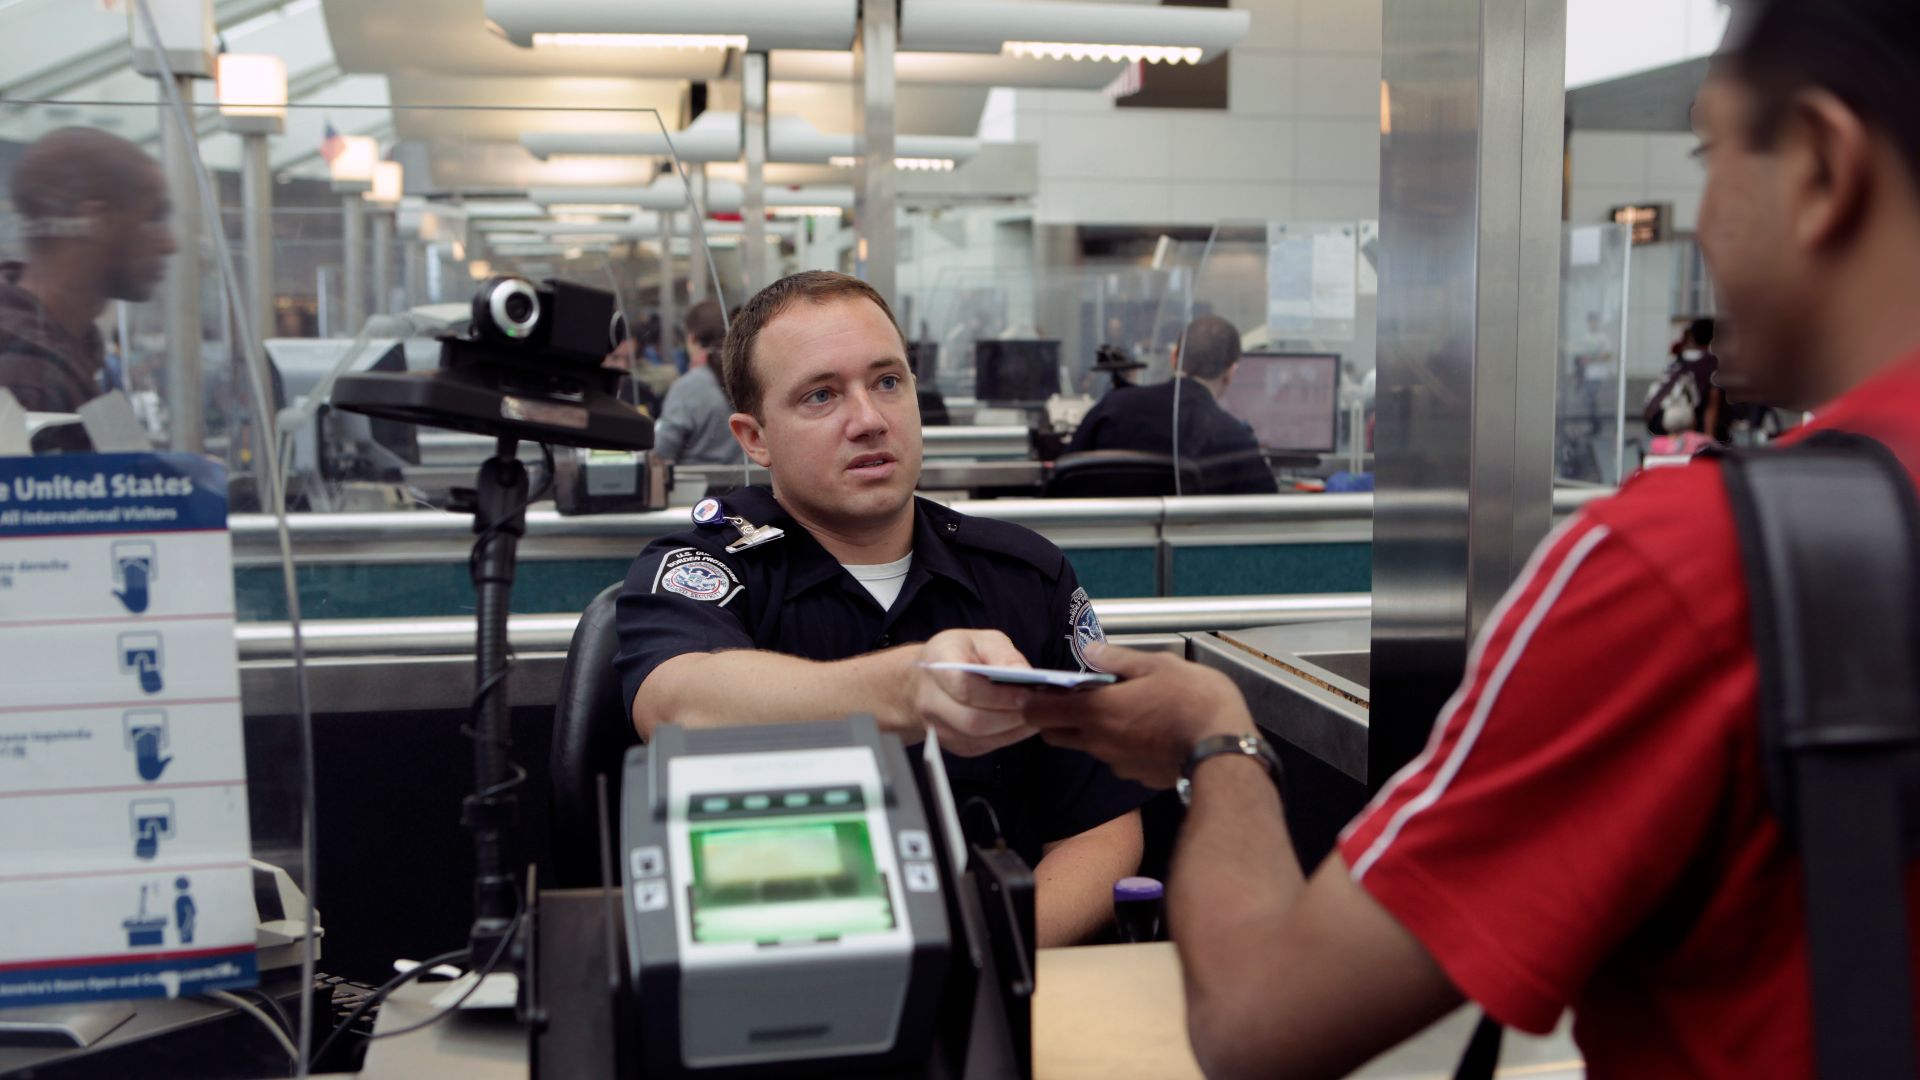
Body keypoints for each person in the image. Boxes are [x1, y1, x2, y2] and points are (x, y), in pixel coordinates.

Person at [1018, 0, 1920, 1074]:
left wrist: (1219, 738)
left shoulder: (1699, 566)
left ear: (1821, 166)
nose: (1706, 214)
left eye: (1713, 151)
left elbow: (1265, 1017)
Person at [613, 270, 1147, 948]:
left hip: (997, 968)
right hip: (774, 975)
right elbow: (682, 706)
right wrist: (905, 687)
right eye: (821, 395)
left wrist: (978, 958)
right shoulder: (707, 573)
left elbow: (1099, 826)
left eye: (888, 382)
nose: (868, 420)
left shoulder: (1024, 577)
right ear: (754, 438)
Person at [0, 127, 176, 414]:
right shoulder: (27, 376)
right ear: (97, 221)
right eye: (152, 219)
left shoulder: (66, 349)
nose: (170, 244)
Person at [1065, 315, 1279, 495]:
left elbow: (1063, 475)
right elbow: (1268, 514)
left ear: (1175, 357)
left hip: (1098, 540)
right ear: (1231, 373)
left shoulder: (1114, 405)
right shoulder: (1235, 438)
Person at [650, 299, 739, 465]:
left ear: (691, 338)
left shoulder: (687, 387)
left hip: (694, 488)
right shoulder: (744, 377)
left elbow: (663, 450)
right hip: (748, 485)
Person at [1644, 317, 1732, 448]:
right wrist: (1709, 441)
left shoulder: (1677, 359)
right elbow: (1712, 404)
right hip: (1686, 422)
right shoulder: (1711, 364)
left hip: (1657, 417)